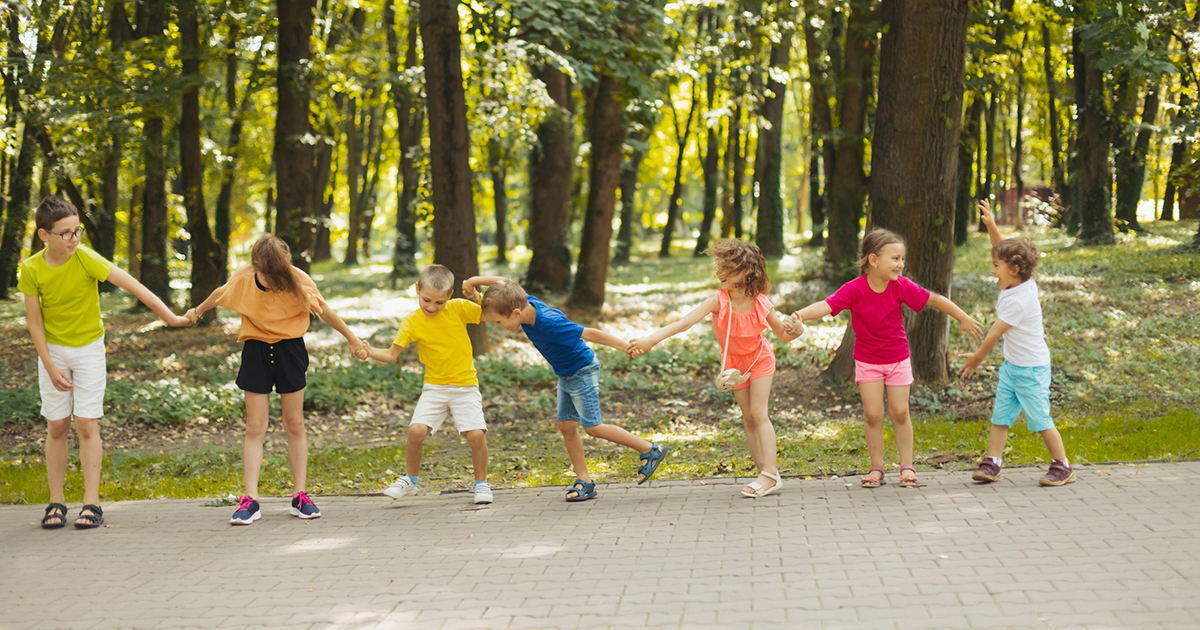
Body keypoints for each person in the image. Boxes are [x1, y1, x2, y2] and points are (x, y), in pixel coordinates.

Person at [20, 196, 192, 529]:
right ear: (44, 235)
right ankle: (56, 502)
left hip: (88, 350)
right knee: (57, 425)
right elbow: (34, 323)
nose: (74, 239)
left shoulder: (85, 259)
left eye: (77, 231)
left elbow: (136, 287)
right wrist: (50, 367)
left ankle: (92, 503)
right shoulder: (31, 269)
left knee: (86, 424)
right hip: (52, 352)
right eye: (65, 233)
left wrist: (170, 317)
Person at [187, 235, 368, 525]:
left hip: (289, 351)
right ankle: (250, 500)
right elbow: (221, 292)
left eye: (276, 272)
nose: (270, 278)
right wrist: (197, 312)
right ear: (255, 265)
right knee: (255, 426)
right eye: (265, 272)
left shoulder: (298, 280)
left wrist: (352, 338)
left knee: (294, 423)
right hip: (256, 351)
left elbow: (325, 311)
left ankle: (300, 496)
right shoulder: (245, 276)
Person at [786, 229, 982, 489]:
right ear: (873, 260)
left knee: (900, 412)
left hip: (898, 359)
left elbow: (934, 299)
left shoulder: (900, 286)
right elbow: (827, 305)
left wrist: (963, 317)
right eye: (895, 259)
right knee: (873, 414)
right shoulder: (854, 289)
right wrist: (799, 314)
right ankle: (876, 468)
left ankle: (907, 466)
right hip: (867, 362)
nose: (900, 264)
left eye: (902, 259)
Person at [463, 276, 669, 502]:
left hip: (582, 370)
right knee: (566, 426)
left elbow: (590, 333)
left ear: (515, 314)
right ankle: (585, 481)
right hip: (566, 373)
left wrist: (627, 347)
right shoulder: (523, 302)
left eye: (498, 323)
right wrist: (474, 284)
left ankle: (649, 449)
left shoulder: (550, 322)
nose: (497, 326)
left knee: (594, 427)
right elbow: (505, 282)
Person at [628, 239, 798, 498]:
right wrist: (650, 340)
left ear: (745, 273)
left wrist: (795, 329)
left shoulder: (761, 302)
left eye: (726, 268)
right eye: (719, 266)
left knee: (758, 412)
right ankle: (765, 472)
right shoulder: (719, 300)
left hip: (760, 359)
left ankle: (770, 473)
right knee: (748, 418)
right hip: (733, 366)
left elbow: (783, 336)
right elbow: (684, 323)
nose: (719, 273)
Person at [959, 201, 1075, 486]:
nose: (992, 270)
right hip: (1013, 367)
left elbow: (994, 334)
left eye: (996, 267)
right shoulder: (1020, 280)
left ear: (1014, 269)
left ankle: (1062, 465)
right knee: (1000, 417)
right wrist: (991, 226)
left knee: (1040, 420)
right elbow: (1003, 250)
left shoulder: (1020, 300)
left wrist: (976, 358)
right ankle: (993, 463)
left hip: (1032, 370)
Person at [365, 265, 493, 504]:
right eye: (426, 300)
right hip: (434, 388)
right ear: (417, 289)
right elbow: (392, 354)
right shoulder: (412, 321)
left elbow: (491, 314)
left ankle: (482, 485)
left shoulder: (459, 309)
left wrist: (477, 296)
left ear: (450, 295)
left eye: (439, 302)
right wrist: (370, 351)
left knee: (476, 436)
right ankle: (410, 481)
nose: (432, 307)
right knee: (416, 431)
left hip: (465, 386)